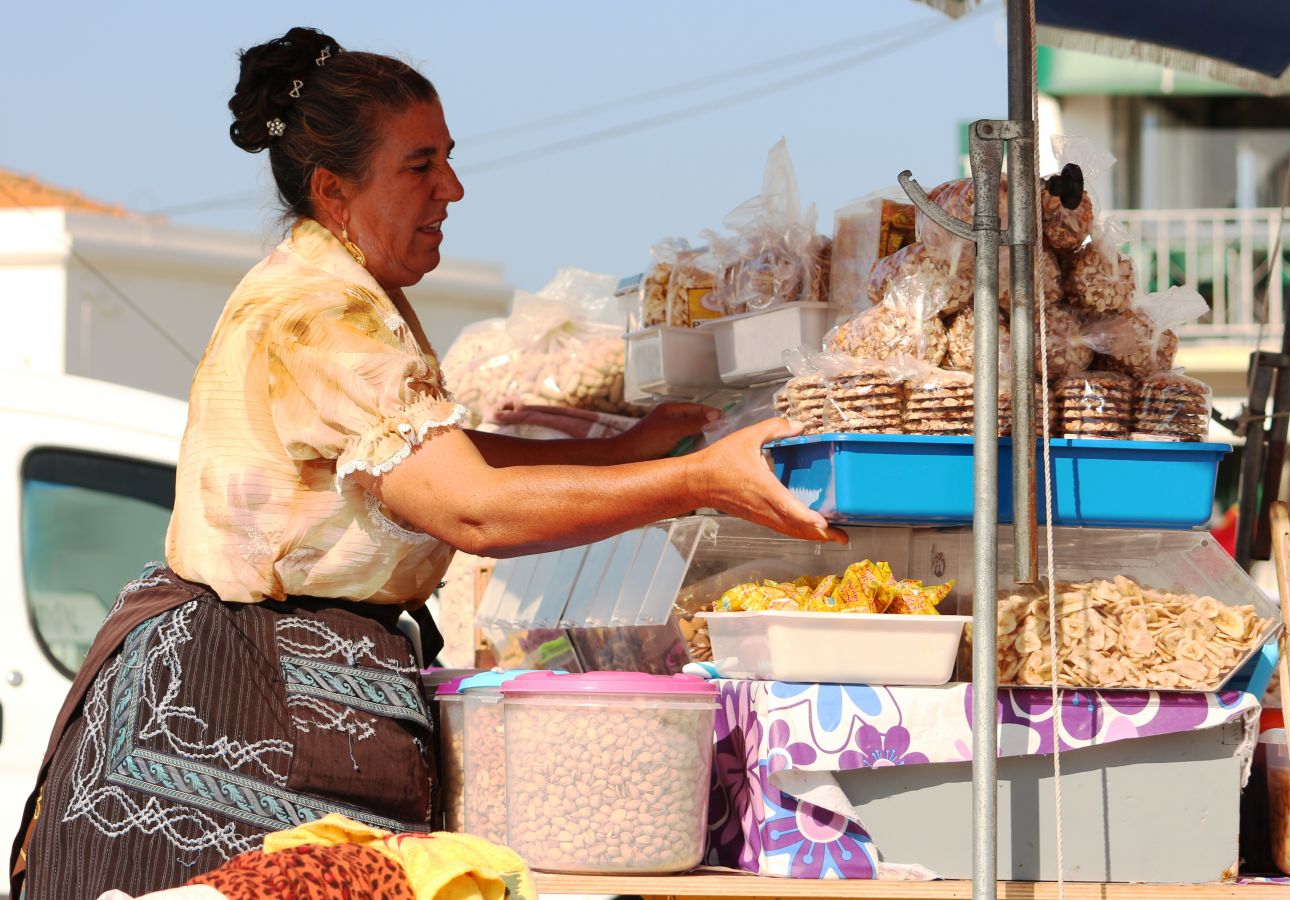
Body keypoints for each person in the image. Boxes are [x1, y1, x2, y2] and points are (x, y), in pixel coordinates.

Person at [9, 26, 843, 899]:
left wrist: (621, 450)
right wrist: (696, 480)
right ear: (334, 189)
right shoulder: (326, 314)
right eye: (420, 166)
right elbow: (469, 507)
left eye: (447, 159)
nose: (451, 188)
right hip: (241, 706)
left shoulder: (340, 287)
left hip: (254, 681)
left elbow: (422, 457)